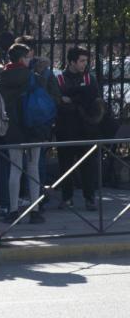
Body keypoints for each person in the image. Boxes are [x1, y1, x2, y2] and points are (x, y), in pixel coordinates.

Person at [0, 43, 54, 224]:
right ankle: (34, 210)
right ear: (23, 59)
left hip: (13, 128)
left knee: (15, 169)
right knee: (33, 168)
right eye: (28, 57)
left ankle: (13, 210)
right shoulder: (32, 77)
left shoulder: (3, 77)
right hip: (33, 128)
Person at [56, 46, 103, 211]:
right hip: (66, 129)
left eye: (85, 61)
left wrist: (72, 99)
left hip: (86, 129)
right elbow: (59, 103)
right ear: (71, 62)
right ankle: (67, 198)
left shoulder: (90, 79)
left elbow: (94, 101)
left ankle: (90, 198)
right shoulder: (60, 79)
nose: (84, 64)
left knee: (88, 166)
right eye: (81, 61)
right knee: (66, 165)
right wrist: (79, 99)